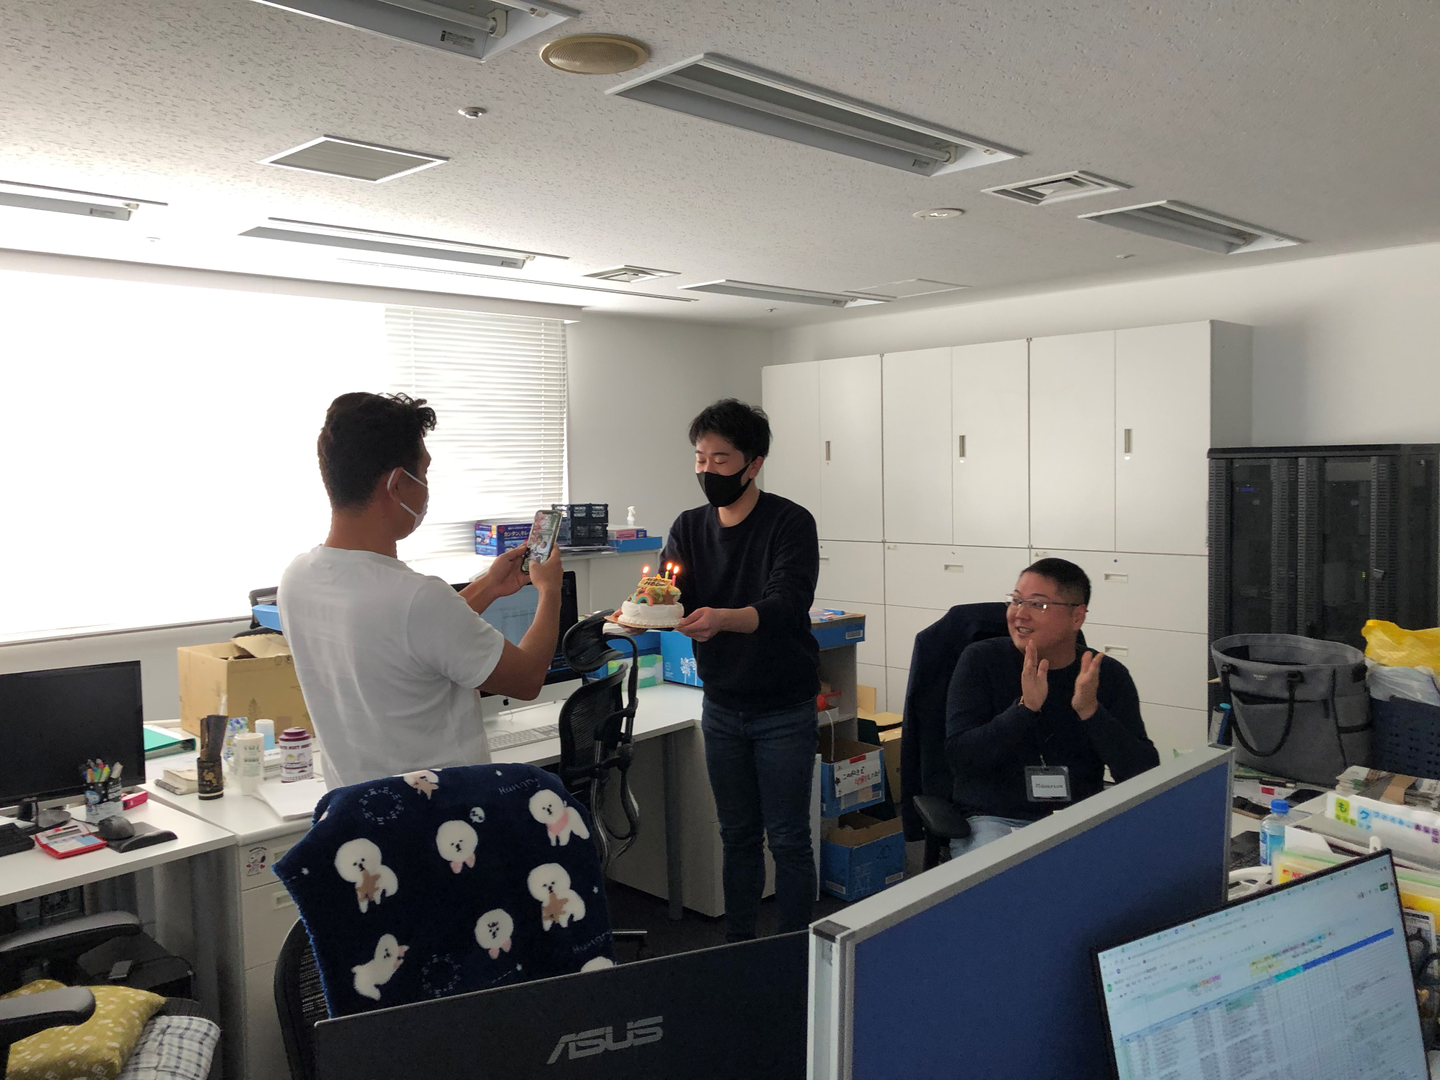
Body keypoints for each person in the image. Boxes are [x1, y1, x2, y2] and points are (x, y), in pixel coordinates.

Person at [279, 392, 564, 789]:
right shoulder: (417, 597)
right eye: (424, 474)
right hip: (442, 815)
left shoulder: (297, 579)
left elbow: (408, 639)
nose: (426, 488)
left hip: (357, 812)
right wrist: (550, 590)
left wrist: (489, 585)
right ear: (397, 484)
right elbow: (528, 678)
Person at [661, 399, 820, 941]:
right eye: (700, 458)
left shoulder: (790, 522)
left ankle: (798, 955)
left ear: (754, 464)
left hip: (783, 707)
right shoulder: (688, 526)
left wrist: (723, 619)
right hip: (722, 705)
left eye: (720, 459)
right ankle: (739, 949)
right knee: (737, 836)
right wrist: (643, 611)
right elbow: (668, 593)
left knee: (790, 839)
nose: (707, 470)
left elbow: (787, 604)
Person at [943, 558, 1159, 857]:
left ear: (1077, 617)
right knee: (1012, 881)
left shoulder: (1104, 674)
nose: (1019, 613)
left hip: (1079, 817)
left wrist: (1091, 712)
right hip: (995, 818)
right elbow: (961, 758)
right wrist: (1025, 708)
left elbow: (1143, 773)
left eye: (1037, 604)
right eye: (1016, 600)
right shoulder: (981, 660)